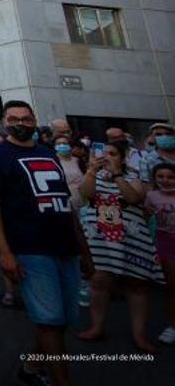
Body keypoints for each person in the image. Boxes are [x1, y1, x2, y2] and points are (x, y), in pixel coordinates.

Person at [0, 100, 91, 386]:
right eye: (14, 119)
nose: (21, 124)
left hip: (65, 245)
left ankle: (31, 366)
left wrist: (83, 248)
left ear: (34, 121)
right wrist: (4, 252)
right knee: (49, 322)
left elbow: (64, 201)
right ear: (5, 122)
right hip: (29, 247)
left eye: (26, 119)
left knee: (62, 318)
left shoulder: (48, 153)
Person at [76, 139, 163, 352]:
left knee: (136, 284)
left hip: (131, 238)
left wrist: (117, 175)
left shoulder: (133, 177)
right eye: (102, 153)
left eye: (113, 154)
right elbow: (86, 194)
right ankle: (97, 327)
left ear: (123, 158)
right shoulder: (93, 175)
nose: (107, 157)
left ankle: (139, 335)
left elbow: (133, 198)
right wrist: (91, 171)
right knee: (99, 281)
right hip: (101, 239)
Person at [144, 161, 175, 345]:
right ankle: (172, 325)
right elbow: (148, 216)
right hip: (166, 242)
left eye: (171, 177)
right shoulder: (151, 196)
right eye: (161, 177)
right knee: (172, 286)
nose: (166, 180)